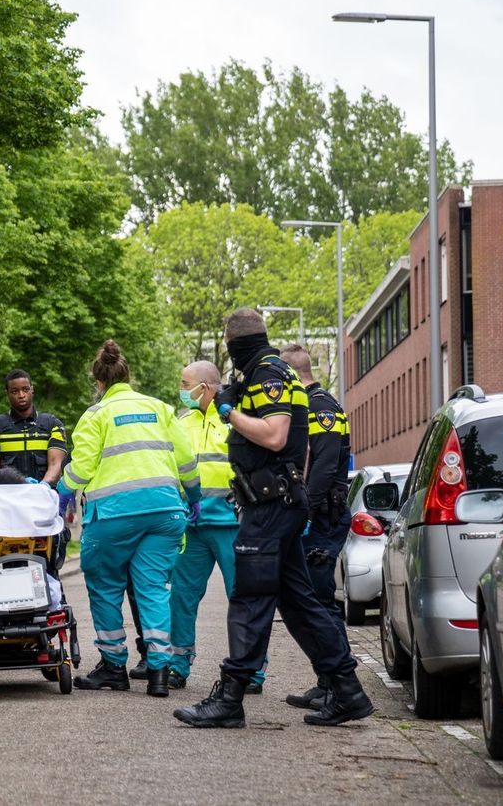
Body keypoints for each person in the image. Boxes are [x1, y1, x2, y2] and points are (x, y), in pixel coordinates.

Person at [173, 308, 372, 728]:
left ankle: (230, 698)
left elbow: (276, 435)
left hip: (270, 506)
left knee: (249, 597)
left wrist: (230, 414)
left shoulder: (267, 373)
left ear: (234, 342)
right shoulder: (264, 372)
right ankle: (348, 690)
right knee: (299, 602)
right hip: (273, 502)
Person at [57, 340, 201, 696]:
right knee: (153, 588)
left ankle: (114, 666)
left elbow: (84, 467)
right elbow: (186, 460)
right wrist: (193, 496)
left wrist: (61, 489)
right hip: (166, 512)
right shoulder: (160, 408)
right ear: (127, 376)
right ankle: (159, 672)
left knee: (105, 585)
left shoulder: (96, 415)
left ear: (99, 383)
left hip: (115, 515)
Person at [127, 361, 268, 693]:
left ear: (205, 387)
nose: (181, 389)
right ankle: (177, 664)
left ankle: (252, 671)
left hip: (233, 524)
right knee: (182, 598)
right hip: (192, 527)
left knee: (244, 597)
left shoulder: (236, 420)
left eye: (184, 383)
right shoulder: (181, 422)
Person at [278, 343, 353, 710]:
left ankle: (337, 686)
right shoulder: (312, 405)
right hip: (318, 517)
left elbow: (322, 468)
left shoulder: (321, 408)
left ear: (292, 375)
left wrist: (304, 513)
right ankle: (327, 681)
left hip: (322, 519)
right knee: (311, 599)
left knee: (321, 602)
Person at [0, 369, 68, 486]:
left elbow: (56, 464)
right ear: (7, 393)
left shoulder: (52, 424)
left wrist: (43, 486)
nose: (21, 395)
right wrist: (20, 482)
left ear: (32, 389)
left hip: (43, 497)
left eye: (25, 389)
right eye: (15, 391)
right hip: (7, 498)